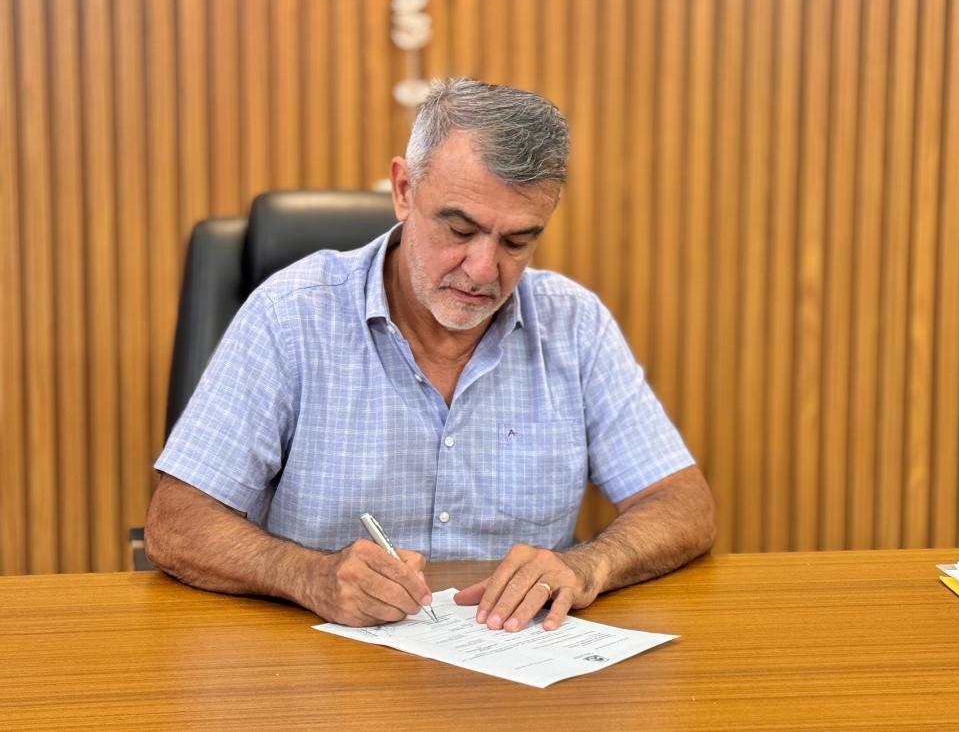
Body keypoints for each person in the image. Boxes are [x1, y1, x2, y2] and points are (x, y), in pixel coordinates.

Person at [145, 78, 715, 634]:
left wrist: (589, 565)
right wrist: (308, 575)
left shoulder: (573, 323)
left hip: (514, 661)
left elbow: (683, 503)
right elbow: (176, 524)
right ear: (403, 190)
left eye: (517, 241)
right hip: (321, 664)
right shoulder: (292, 314)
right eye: (459, 229)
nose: (483, 270)